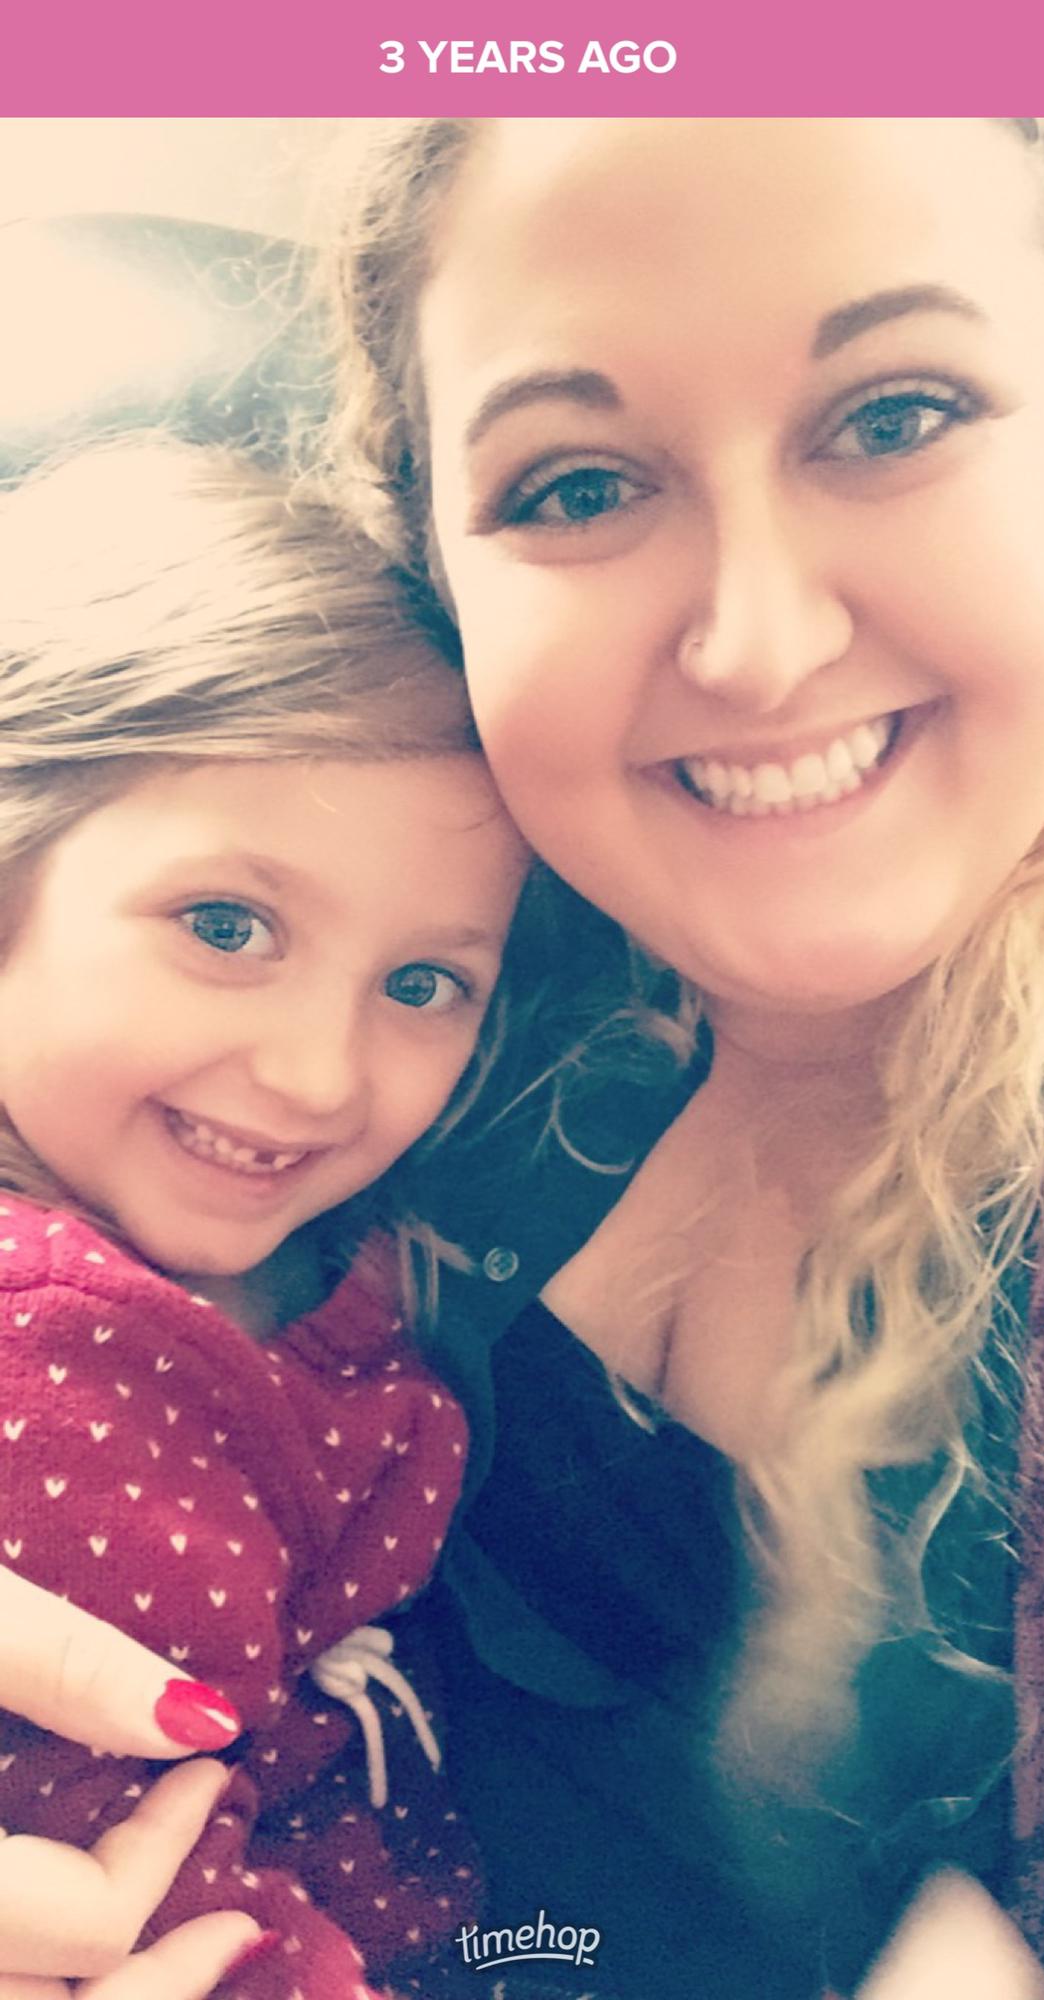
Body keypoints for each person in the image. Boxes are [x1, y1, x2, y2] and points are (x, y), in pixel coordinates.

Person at [5, 115, 1044, 1999]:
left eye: (896, 415)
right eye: (577, 485)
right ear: (435, 572)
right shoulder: (473, 967)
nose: (757, 643)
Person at [0, 438, 533, 1998]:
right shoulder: (63, 1362)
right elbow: (149, 1899)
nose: (318, 1075)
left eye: (422, 982)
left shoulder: (306, 1249)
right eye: (226, 925)